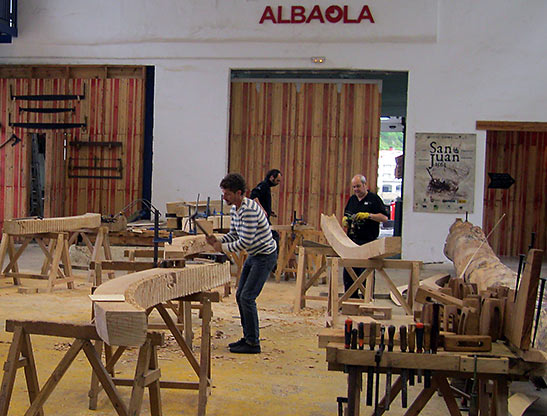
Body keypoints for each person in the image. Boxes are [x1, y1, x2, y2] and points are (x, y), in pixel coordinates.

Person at [206, 173, 277, 354]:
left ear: (239, 193)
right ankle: (248, 338)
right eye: (223, 193)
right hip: (255, 254)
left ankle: (253, 343)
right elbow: (235, 234)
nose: (224, 197)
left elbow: (244, 242)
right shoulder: (235, 210)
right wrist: (219, 240)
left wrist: (222, 247)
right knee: (240, 296)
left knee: (247, 297)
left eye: (228, 194)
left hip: (265, 256)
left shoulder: (250, 210)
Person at [342, 174, 389, 298]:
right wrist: (346, 220)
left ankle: (367, 300)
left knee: (366, 273)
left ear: (365, 185)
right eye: (354, 187)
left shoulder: (374, 199)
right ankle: (350, 300)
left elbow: (384, 218)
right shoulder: (352, 200)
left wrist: (368, 215)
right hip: (352, 241)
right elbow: (347, 214)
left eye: (358, 186)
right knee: (349, 272)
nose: (356, 189)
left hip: (368, 241)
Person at [250, 169, 282, 258]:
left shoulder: (266, 187)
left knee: (273, 236)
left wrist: (268, 211)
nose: (278, 183)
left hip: (264, 218)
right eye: (277, 180)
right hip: (261, 220)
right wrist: (262, 210)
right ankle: (273, 263)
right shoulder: (263, 185)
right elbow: (253, 196)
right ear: (272, 177)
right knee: (274, 237)